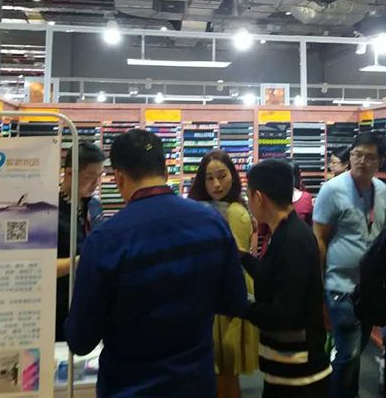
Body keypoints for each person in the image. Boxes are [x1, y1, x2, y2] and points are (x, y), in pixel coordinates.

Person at [65, 129, 249, 397]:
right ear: (164, 170)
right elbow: (235, 302)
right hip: (195, 384)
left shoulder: (105, 241)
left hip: (129, 388)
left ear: (119, 177)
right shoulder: (212, 224)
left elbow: (81, 340)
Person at [241, 159, 331, 397]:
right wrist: (242, 257)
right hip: (287, 366)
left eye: (248, 196)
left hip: (300, 374)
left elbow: (285, 314)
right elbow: (272, 276)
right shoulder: (284, 231)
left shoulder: (292, 240)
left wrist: (242, 306)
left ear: (258, 197)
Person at [313, 132, 386, 398]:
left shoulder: (382, 191)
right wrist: (319, 287)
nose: (362, 161)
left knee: (355, 352)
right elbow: (319, 238)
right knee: (348, 353)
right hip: (340, 286)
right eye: (357, 155)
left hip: (369, 288)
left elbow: (381, 233)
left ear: (380, 161)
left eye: (370, 157)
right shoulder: (332, 190)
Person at [188, 150, 258, 398]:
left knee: (225, 369)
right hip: (215, 292)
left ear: (233, 176)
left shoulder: (235, 212)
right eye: (209, 178)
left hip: (227, 293)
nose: (216, 184)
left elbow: (235, 256)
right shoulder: (207, 209)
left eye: (222, 176)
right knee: (220, 369)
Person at [55, 141, 105, 342]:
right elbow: (38, 267)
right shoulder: (49, 210)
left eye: (100, 176)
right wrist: (79, 262)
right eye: (90, 176)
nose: (96, 183)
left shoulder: (94, 206)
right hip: (59, 306)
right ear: (69, 173)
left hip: (91, 302)